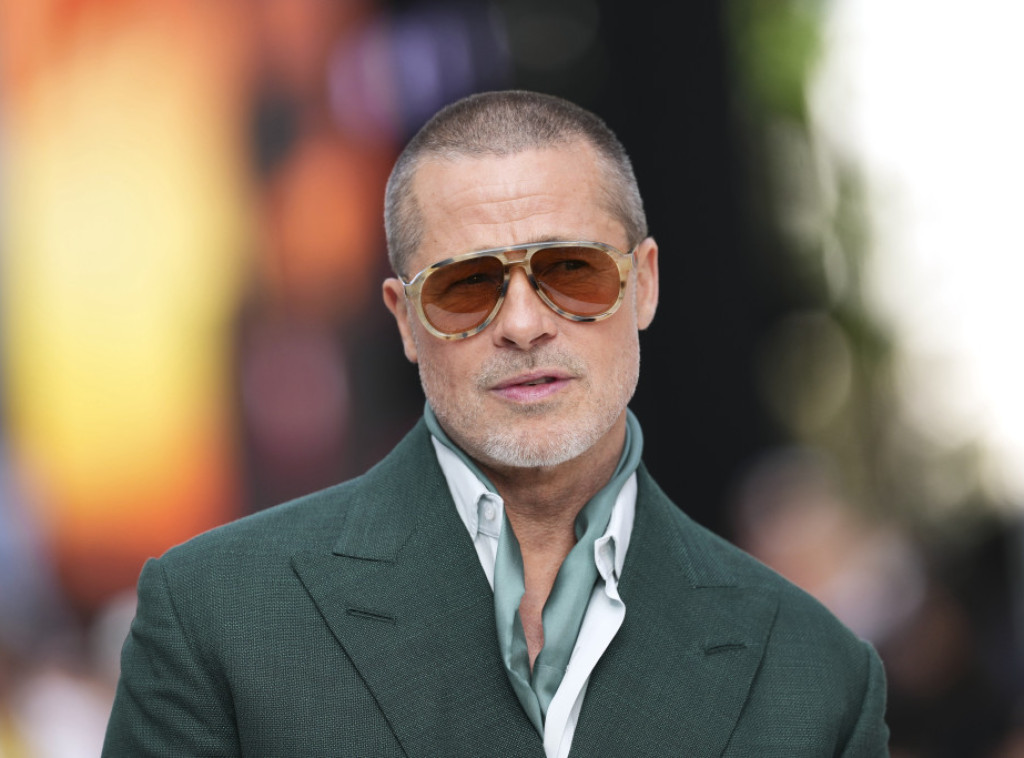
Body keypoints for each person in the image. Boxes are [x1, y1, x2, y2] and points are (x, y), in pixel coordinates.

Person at [102, 90, 889, 757]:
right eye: (467, 287)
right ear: (405, 321)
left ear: (643, 283)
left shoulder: (818, 676)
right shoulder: (218, 618)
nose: (522, 324)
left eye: (571, 271)